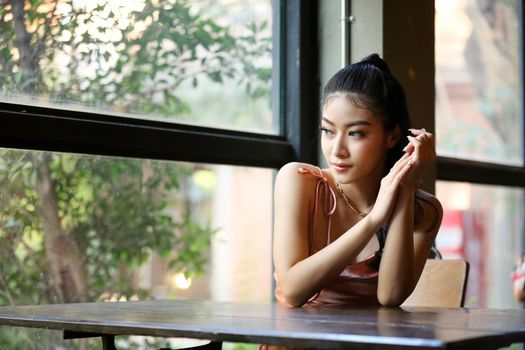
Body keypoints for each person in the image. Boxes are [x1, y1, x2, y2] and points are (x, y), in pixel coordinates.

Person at [273, 54, 442, 308]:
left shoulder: (424, 212)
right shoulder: (300, 181)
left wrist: (405, 189)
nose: (337, 150)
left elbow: (391, 296)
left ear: (392, 137)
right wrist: (374, 220)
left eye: (355, 133)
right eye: (328, 131)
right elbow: (292, 291)